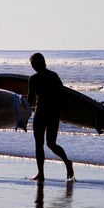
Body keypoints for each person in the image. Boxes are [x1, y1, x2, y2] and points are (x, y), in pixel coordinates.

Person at [26, 52, 74, 182]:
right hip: (53, 113)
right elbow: (62, 94)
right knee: (51, 143)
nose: (32, 66)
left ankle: (41, 174)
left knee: (39, 144)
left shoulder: (33, 79)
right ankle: (67, 162)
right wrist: (64, 114)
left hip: (41, 113)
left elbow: (30, 101)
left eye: (32, 64)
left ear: (36, 64)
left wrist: (22, 114)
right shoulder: (53, 76)